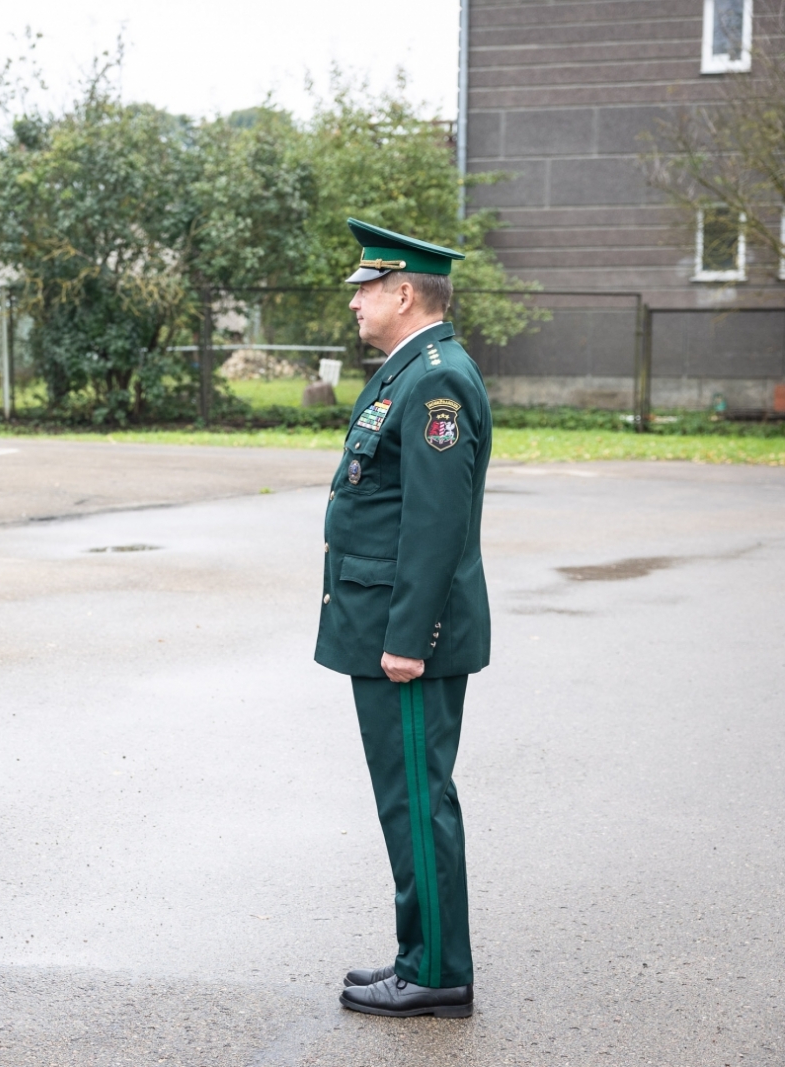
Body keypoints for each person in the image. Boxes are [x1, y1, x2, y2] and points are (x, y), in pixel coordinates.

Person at [318, 219, 491, 1018]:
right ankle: (419, 954)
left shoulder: (434, 382)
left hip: (407, 636)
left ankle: (437, 971)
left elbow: (434, 524)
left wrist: (408, 639)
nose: (355, 302)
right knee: (407, 799)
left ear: (406, 293)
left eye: (368, 288)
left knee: (418, 801)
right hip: (386, 625)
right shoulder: (410, 373)